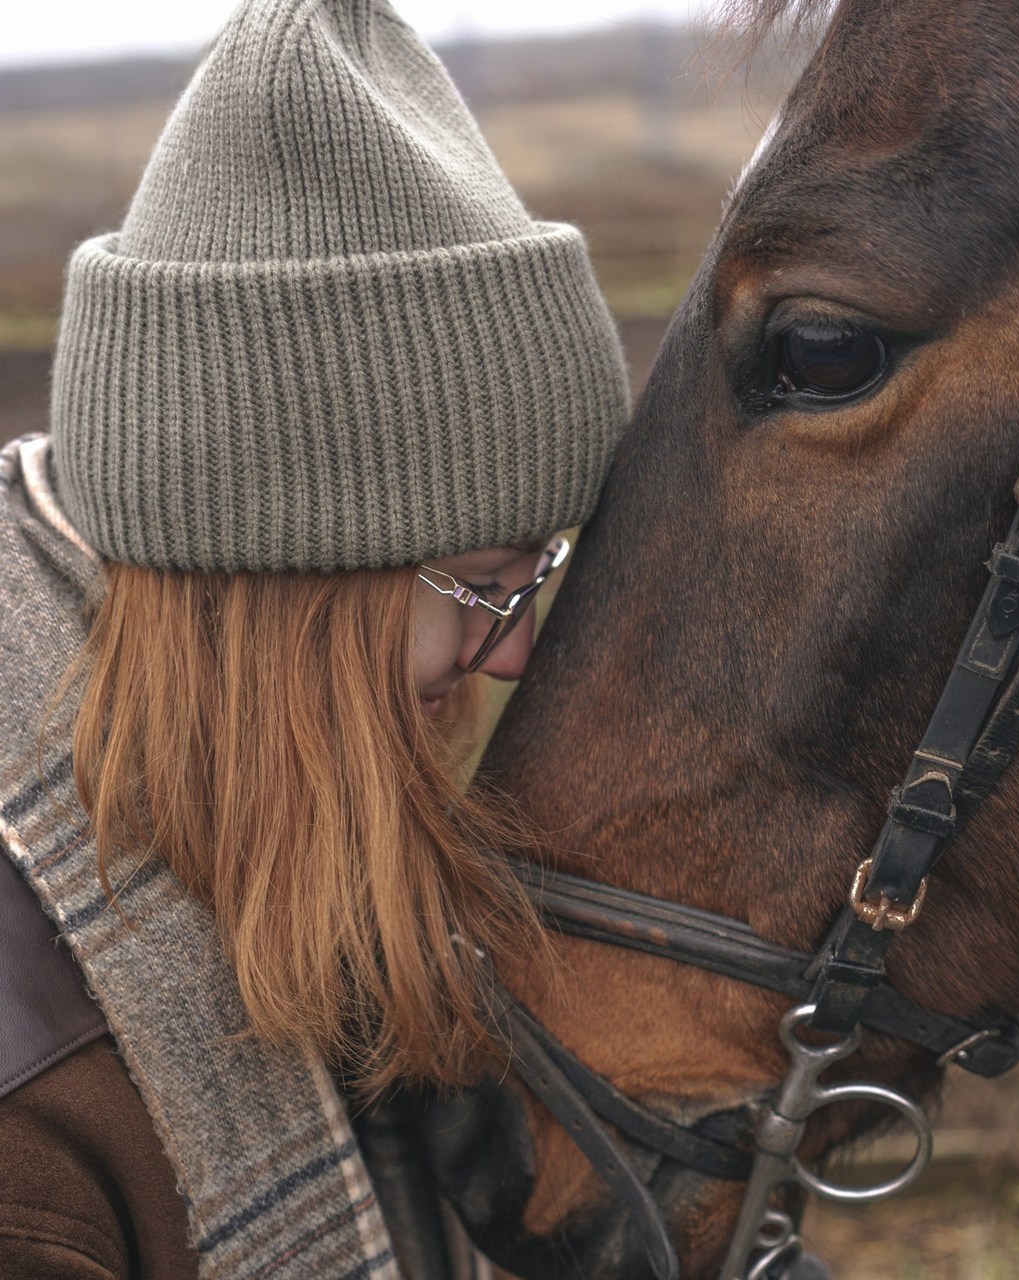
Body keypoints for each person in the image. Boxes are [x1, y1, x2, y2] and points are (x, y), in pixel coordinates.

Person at [0, 1, 629, 1277]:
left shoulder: (255, 835)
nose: (510, 657)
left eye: (538, 578)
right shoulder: (36, 1115)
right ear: (303, 587)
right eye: (482, 585)